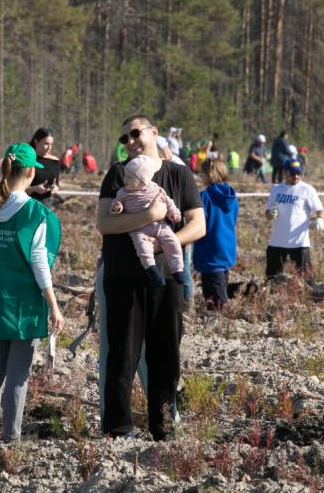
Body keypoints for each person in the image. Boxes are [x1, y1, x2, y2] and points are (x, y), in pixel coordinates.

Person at [97, 115, 205, 440]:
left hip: (167, 279)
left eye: (135, 134)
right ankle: (118, 430)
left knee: (166, 355)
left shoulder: (179, 174)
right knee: (121, 356)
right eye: (124, 139)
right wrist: (149, 216)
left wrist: (164, 241)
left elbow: (198, 224)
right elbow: (105, 223)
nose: (129, 142)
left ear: (154, 133)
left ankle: (164, 428)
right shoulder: (117, 174)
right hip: (123, 278)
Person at [0, 143, 64, 443]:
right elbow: (39, 262)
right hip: (23, 305)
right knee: (18, 375)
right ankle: (11, 439)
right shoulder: (35, 213)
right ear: (32, 172)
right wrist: (54, 305)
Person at [109, 155, 184, 286]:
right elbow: (114, 206)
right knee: (143, 248)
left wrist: (174, 213)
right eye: (125, 175)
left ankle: (177, 270)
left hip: (159, 225)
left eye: (129, 177)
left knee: (173, 241)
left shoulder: (156, 189)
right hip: (138, 228)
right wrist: (116, 208)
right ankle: (151, 270)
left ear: (143, 181)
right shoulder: (123, 193)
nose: (124, 179)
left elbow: (168, 201)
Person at [264, 157, 324, 280]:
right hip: (277, 242)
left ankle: (305, 299)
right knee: (272, 279)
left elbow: (321, 211)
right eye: (293, 173)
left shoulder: (307, 189)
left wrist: (320, 219)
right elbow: (267, 215)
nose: (296, 176)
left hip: (299, 243)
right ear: (285, 172)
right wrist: (271, 213)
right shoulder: (276, 189)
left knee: (306, 279)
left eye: (299, 173)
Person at [193, 158, 237, 309]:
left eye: (201, 173)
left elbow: (197, 222)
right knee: (221, 282)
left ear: (209, 175)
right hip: (227, 245)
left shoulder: (204, 197)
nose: (200, 176)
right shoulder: (232, 196)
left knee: (215, 298)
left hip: (210, 248)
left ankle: (221, 318)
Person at [28, 128, 61, 205]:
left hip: (48, 206)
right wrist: (34, 189)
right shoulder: (27, 160)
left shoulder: (55, 161)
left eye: (51, 144)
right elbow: (16, 189)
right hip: (28, 204)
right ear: (36, 142)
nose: (49, 148)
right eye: (46, 144)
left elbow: (56, 184)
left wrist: (55, 188)